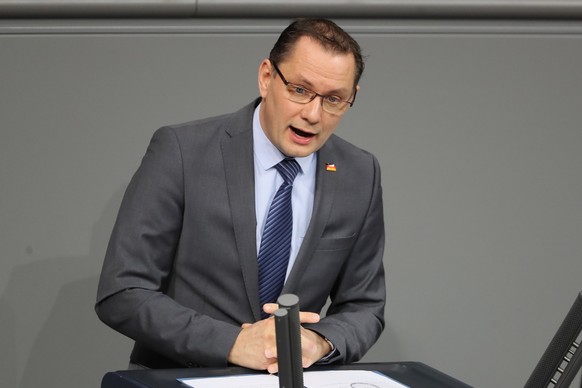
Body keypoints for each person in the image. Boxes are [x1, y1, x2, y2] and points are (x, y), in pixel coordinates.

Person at [96, 18, 386, 373]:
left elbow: (364, 306)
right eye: (299, 90)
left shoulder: (360, 173)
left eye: (334, 100)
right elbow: (122, 291)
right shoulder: (182, 152)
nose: (313, 114)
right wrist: (232, 344)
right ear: (266, 77)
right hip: (179, 378)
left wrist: (321, 342)